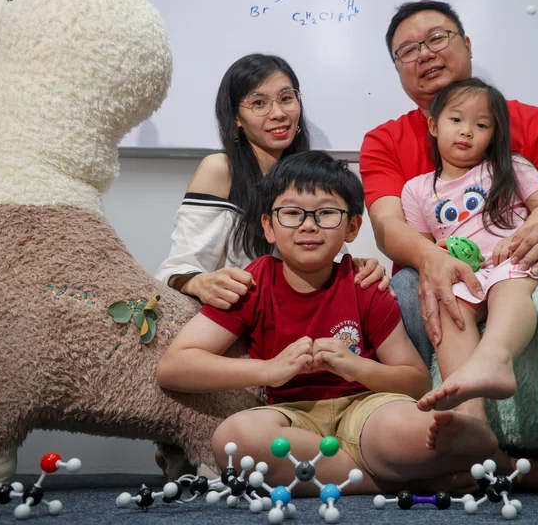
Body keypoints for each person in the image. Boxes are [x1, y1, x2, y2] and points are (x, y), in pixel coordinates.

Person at [156, 152, 507, 494]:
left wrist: (357, 368)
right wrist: (270, 370)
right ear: (268, 226)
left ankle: (452, 445)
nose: (308, 224)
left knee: (403, 430)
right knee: (235, 440)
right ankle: (404, 480)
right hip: (292, 418)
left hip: (368, 409)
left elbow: (415, 382)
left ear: (352, 227)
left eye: (325, 213)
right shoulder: (254, 283)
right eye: (292, 213)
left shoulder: (363, 284)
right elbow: (174, 367)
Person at [359, 0, 538, 367]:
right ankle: (447, 410)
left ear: (467, 44)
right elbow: (388, 227)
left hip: (516, 262)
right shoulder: (384, 139)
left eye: (437, 38)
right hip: (446, 271)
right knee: (400, 290)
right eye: (408, 51)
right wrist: (431, 256)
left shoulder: (533, 121)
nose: (425, 54)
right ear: (397, 69)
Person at [155, 53, 389, 311]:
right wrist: (198, 283)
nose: (278, 113)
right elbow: (175, 269)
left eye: (286, 99)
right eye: (259, 102)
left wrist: (355, 267)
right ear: (235, 117)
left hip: (299, 320)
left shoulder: (307, 174)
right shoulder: (221, 169)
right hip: (235, 321)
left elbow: (323, 259)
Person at [401, 78, 538, 420]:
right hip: (468, 274)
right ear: (433, 124)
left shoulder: (511, 166)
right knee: (449, 304)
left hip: (515, 260)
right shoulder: (415, 190)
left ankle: (497, 360)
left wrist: (523, 237)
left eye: (481, 125)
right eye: (456, 120)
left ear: (494, 134)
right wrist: (440, 250)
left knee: (508, 284)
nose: (466, 132)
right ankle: (469, 415)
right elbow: (424, 248)